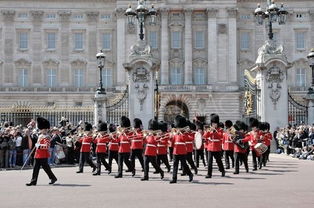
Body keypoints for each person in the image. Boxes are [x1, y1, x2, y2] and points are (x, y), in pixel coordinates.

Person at [26, 117, 57, 186]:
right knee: (35, 168)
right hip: (38, 154)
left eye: (42, 129)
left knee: (46, 168)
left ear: (45, 129)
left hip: (43, 155)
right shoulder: (40, 136)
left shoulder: (47, 137)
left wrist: (39, 146)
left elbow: (47, 146)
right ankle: (33, 181)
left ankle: (53, 178)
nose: (41, 130)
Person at [169, 115, 193, 184]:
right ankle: (174, 178)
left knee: (184, 165)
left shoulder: (184, 133)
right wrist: (171, 136)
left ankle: (190, 174)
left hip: (182, 151)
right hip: (175, 151)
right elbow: (172, 141)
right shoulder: (175, 134)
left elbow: (184, 139)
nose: (177, 128)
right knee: (175, 165)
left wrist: (180, 133)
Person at [203, 113, 225, 178]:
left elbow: (221, 136)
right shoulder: (209, 129)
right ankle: (209, 174)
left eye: (215, 123)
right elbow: (204, 136)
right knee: (209, 161)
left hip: (217, 147)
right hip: (210, 147)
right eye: (212, 123)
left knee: (218, 161)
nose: (214, 124)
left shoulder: (220, 130)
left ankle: (222, 170)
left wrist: (215, 131)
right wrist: (209, 131)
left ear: (217, 123)